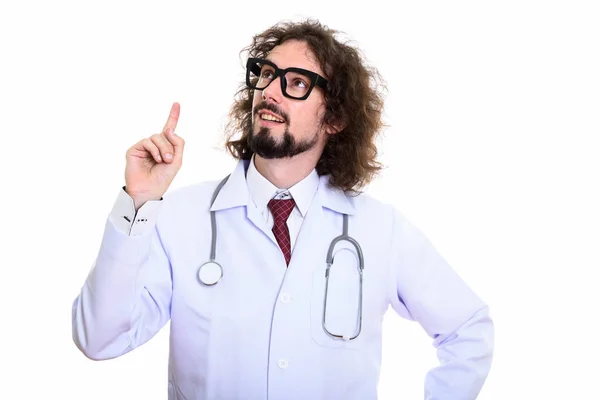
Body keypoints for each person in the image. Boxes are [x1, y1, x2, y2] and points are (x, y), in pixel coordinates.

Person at [72, 19, 494, 400]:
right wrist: (139, 201)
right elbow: (99, 338)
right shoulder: (179, 217)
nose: (270, 91)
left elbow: (468, 328)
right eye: (267, 75)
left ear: (336, 118)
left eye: (296, 83)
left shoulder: (380, 230)